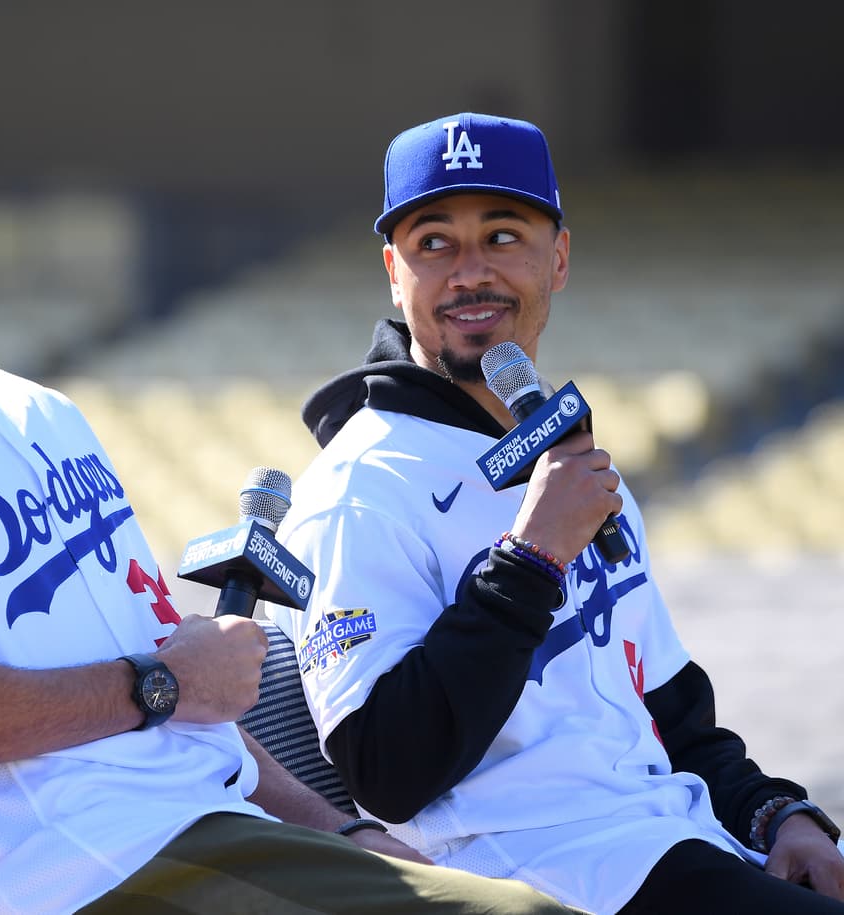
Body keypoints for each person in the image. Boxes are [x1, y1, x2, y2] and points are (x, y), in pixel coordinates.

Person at [0, 53, 584, 915]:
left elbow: (186, 703)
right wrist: (155, 683)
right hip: (69, 877)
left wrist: (342, 829)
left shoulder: (38, 410)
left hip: (203, 834)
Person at [266, 111, 844, 914]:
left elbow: (673, 712)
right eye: (435, 243)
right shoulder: (355, 491)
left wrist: (776, 812)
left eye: (503, 235)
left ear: (559, 257)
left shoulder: (568, 453)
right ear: (394, 271)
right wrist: (531, 558)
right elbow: (388, 772)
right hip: (547, 877)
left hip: (679, 841)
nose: (470, 272)